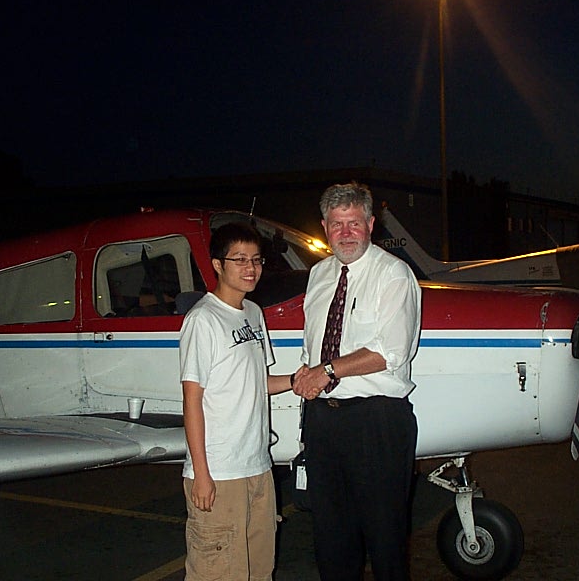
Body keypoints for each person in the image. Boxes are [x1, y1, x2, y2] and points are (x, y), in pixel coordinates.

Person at [292, 181, 422, 581]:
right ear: (324, 227)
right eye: (336, 224)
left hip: (376, 422)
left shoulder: (394, 274)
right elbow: (311, 343)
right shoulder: (317, 275)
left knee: (385, 542)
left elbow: (391, 352)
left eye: (354, 223)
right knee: (331, 540)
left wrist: (326, 371)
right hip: (324, 424)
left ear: (370, 223)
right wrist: (305, 378)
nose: (345, 233)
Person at [179, 222, 296, 581]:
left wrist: (297, 380)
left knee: (259, 569)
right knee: (217, 571)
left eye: (257, 260)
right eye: (240, 259)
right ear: (217, 265)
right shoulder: (203, 320)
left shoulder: (253, 314)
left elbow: (256, 382)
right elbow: (192, 400)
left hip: (257, 466)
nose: (251, 269)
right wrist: (202, 473)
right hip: (220, 471)